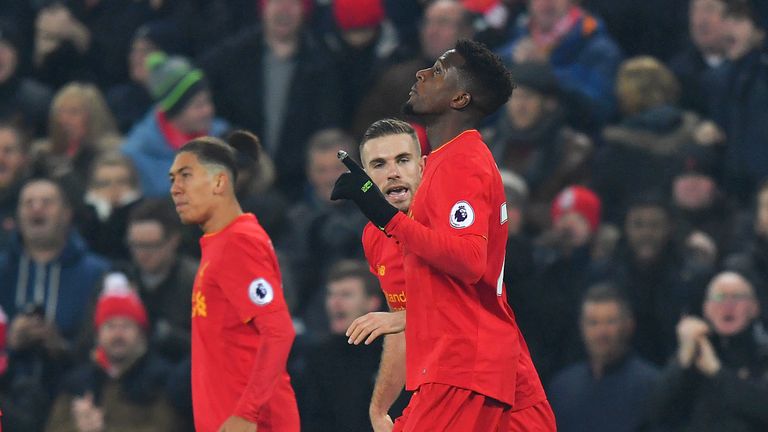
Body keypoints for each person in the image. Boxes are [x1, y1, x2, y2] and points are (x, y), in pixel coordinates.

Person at [332, 39, 553, 431]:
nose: (421, 74)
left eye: (436, 71)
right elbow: (422, 303)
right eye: (379, 165)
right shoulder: (442, 166)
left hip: (463, 366)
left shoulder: (460, 162)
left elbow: (469, 261)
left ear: (460, 98)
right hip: (487, 369)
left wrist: (385, 216)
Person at [169, 130, 298, 431]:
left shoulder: (238, 243)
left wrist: (248, 413)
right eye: (172, 179)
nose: (175, 189)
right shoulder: (221, 243)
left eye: (185, 176)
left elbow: (279, 331)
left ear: (219, 182)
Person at [343, 119, 423, 431]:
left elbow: (471, 309)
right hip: (433, 387)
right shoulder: (374, 237)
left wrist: (400, 319)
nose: (393, 172)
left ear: (422, 166)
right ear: (365, 179)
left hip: (482, 380)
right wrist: (379, 409)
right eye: (379, 164)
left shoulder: (447, 222)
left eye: (403, 160)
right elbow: (400, 329)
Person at [45, 272, 180, 432]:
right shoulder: (77, 382)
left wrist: (103, 429)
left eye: (126, 326)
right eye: (110, 326)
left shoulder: (162, 379)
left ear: (142, 334)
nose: (118, 334)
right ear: (98, 334)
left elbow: (166, 427)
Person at [650, 271, 768, 431]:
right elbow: (657, 412)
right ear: (706, 309)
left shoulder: (763, 355)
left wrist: (717, 373)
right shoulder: (695, 353)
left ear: (755, 308)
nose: (728, 305)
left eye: (737, 297)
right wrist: (682, 361)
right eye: (719, 298)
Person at [548, 283, 660, 432]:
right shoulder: (562, 388)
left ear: (629, 325)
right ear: (581, 327)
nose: (601, 332)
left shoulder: (652, 386)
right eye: (593, 323)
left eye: (610, 322)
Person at [298, 259, 391, 432]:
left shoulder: (392, 353)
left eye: (346, 295)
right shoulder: (319, 357)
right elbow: (313, 419)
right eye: (331, 294)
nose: (335, 302)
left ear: (372, 303)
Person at [122, 51, 229, 198]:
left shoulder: (223, 135)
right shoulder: (137, 153)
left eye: (208, 102)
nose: (208, 111)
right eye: (198, 106)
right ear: (175, 112)